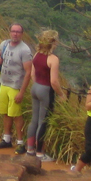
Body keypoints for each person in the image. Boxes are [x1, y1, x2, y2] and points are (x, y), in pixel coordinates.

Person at [0, 23, 33, 152]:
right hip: (4, 83)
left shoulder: (25, 50)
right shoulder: (4, 44)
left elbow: (28, 72)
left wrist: (22, 92)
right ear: (10, 32)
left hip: (15, 85)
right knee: (5, 112)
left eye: (18, 32)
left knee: (16, 114)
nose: (15, 34)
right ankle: (7, 139)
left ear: (22, 34)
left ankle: (21, 143)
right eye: (13, 31)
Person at [26, 30, 61, 161]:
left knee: (34, 120)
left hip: (35, 87)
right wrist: (61, 94)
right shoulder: (53, 59)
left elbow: (32, 74)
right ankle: (40, 153)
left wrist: (38, 85)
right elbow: (54, 81)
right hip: (46, 89)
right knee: (43, 121)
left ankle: (30, 149)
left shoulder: (36, 55)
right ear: (52, 43)